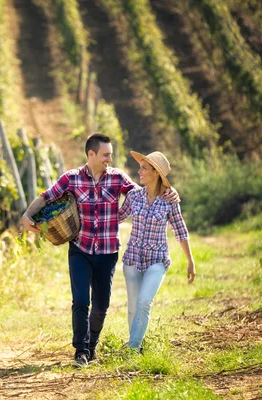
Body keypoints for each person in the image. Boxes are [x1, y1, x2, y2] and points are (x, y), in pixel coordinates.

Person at [19, 133, 179, 368]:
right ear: (91, 154)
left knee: (101, 305)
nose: (109, 159)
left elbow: (144, 193)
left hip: (107, 252)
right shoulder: (71, 179)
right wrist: (26, 216)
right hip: (80, 249)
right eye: (105, 155)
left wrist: (170, 192)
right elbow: (46, 196)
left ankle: (92, 345)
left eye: (110, 155)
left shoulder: (117, 178)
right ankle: (81, 351)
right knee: (81, 301)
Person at [118, 151, 195, 353]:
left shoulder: (170, 200)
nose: (139, 171)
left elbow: (180, 230)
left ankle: (132, 349)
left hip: (157, 259)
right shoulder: (134, 196)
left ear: (156, 173)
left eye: (144, 168)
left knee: (144, 302)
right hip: (132, 258)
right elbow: (116, 218)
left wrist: (190, 261)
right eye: (140, 167)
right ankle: (136, 346)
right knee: (133, 306)